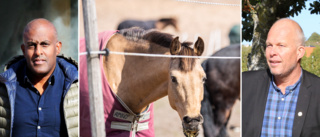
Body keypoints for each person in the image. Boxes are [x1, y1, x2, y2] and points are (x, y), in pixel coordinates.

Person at [0, 18, 78, 137]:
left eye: (44, 44)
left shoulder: (76, 86)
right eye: (31, 45)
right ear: (24, 50)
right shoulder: (4, 88)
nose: (38, 52)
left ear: (57, 48)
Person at [242, 18, 320, 137]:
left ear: (300, 52)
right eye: (269, 45)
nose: (272, 52)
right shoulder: (245, 84)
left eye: (281, 45)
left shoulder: (317, 91)